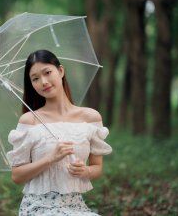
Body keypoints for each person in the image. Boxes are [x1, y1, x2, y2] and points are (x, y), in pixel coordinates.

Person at [7, 49, 112, 216]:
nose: (43, 81)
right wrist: (51, 158)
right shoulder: (29, 120)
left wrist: (86, 171)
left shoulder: (90, 117)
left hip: (76, 206)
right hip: (37, 207)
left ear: (61, 71)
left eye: (47, 72)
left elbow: (97, 167)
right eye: (35, 79)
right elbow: (17, 176)